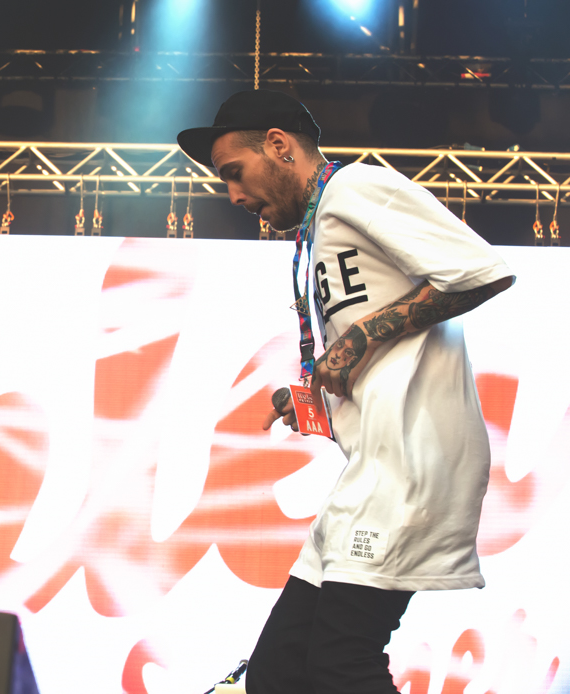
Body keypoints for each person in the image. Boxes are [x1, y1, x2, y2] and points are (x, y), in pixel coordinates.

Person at [177, 90, 514, 693]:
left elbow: (480, 271)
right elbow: (375, 350)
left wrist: (359, 336)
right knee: (277, 673)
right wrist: (312, 396)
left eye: (234, 172)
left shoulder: (355, 187)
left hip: (408, 466)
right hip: (368, 472)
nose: (233, 195)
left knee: (341, 664)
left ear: (278, 145)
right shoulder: (317, 228)